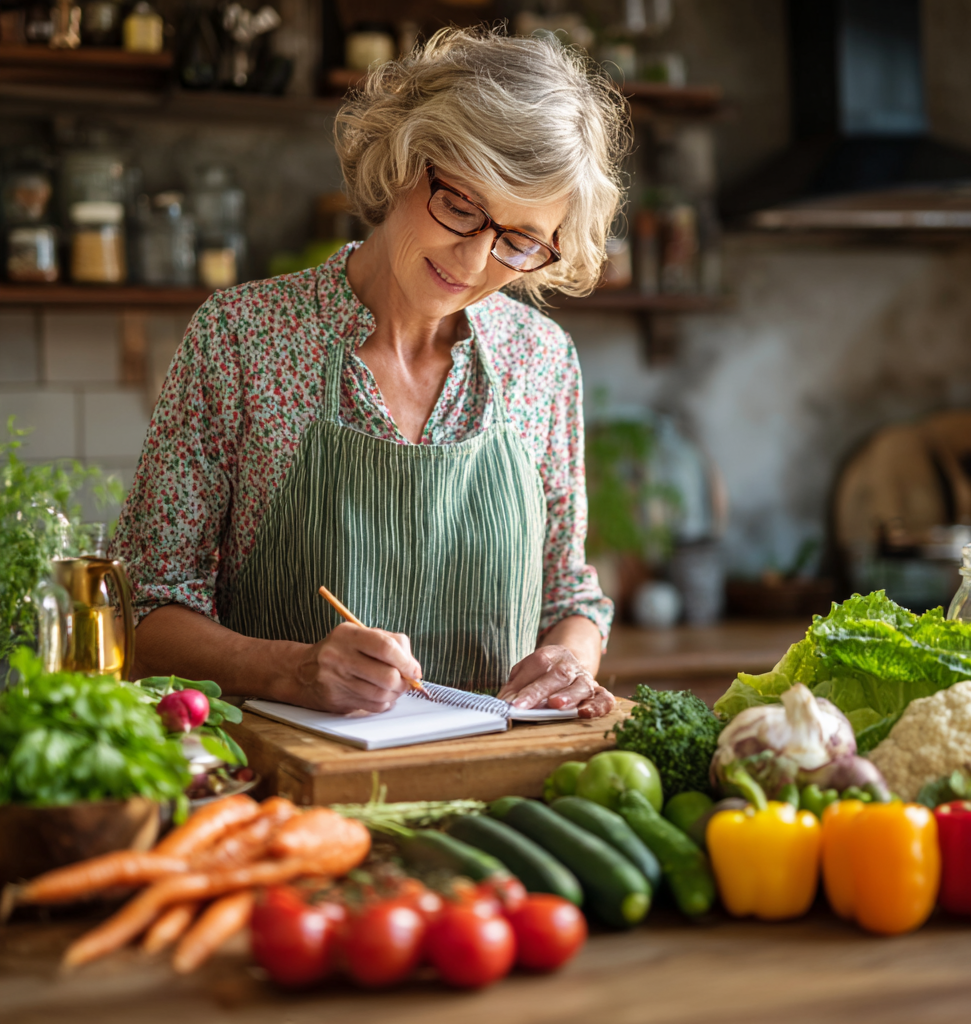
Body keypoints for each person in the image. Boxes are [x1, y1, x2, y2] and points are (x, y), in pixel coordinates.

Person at [111, 28, 629, 719]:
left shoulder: (542, 360)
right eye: (462, 206)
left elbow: (568, 596)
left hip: (498, 795)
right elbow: (145, 612)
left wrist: (569, 657)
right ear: (405, 158)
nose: (475, 264)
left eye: (519, 240)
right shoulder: (243, 339)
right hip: (289, 795)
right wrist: (292, 669)